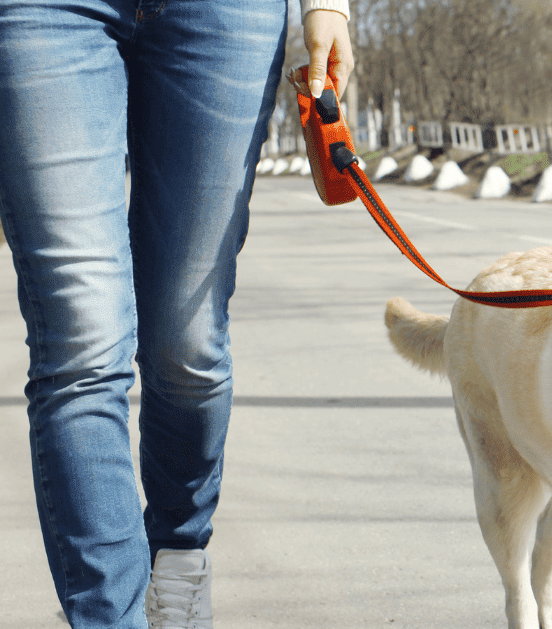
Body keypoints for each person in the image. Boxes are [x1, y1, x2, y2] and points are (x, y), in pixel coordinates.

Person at [0, 0, 353, 627]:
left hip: (225, 14)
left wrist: (328, 6)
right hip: (43, 12)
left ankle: (180, 558)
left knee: (187, 344)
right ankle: (112, 615)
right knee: (81, 339)